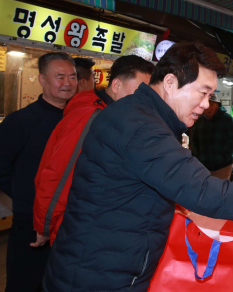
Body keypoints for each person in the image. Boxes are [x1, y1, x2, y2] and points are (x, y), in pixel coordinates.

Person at [42, 42, 233, 291]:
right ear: (169, 83)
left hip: (107, 267)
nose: (206, 104)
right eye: (202, 93)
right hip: (96, 277)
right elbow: (202, 191)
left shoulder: (143, 117)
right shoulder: (139, 125)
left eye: (210, 95)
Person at [32, 55, 155, 247]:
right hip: (74, 229)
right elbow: (60, 175)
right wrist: (44, 226)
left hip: (94, 227)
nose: (145, 100)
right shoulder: (92, 117)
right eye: (139, 92)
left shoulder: (115, 114)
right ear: (116, 86)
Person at [0, 52, 77, 292]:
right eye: (60, 76)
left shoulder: (77, 119)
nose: (67, 82)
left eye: (72, 77)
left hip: (67, 224)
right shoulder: (20, 121)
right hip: (30, 223)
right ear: (42, 79)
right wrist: (25, 202)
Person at [189, 93, 233, 180]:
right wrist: (197, 155)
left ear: (218, 105)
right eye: (207, 105)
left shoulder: (227, 119)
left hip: (222, 165)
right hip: (203, 165)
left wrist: (224, 154)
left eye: (212, 104)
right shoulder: (199, 121)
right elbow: (194, 139)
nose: (209, 107)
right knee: (205, 189)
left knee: (220, 190)